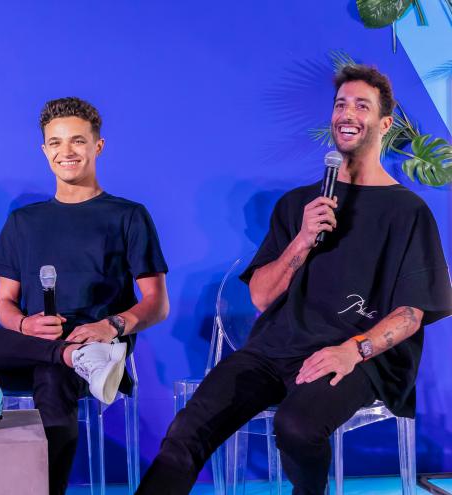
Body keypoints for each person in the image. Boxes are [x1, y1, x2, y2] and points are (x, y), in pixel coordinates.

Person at [137, 65, 452, 495]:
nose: (347, 113)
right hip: (274, 349)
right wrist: (302, 241)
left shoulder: (408, 212)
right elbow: (263, 297)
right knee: (186, 432)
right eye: (341, 104)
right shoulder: (298, 205)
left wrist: (352, 350)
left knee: (297, 426)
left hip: (354, 355)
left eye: (362, 105)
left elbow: (412, 313)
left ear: (385, 124)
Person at [0, 96, 169, 494]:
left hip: (95, 355)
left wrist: (111, 326)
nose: (66, 151)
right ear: (44, 150)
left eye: (77, 141)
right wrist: (24, 323)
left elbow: (157, 302)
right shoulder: (24, 221)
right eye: (55, 143)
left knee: (52, 380)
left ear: (98, 146)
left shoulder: (128, 216)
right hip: (30, 346)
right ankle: (66, 356)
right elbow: (4, 306)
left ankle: (71, 358)